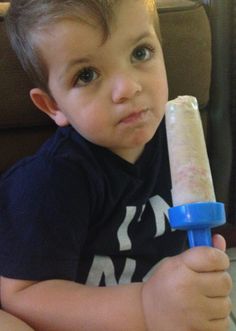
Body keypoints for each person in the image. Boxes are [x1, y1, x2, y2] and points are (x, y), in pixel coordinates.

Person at [0, 0, 232, 330]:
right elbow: (20, 295)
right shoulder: (47, 183)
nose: (128, 88)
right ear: (53, 106)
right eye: (87, 75)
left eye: (141, 53)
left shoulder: (175, 145)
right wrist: (145, 306)